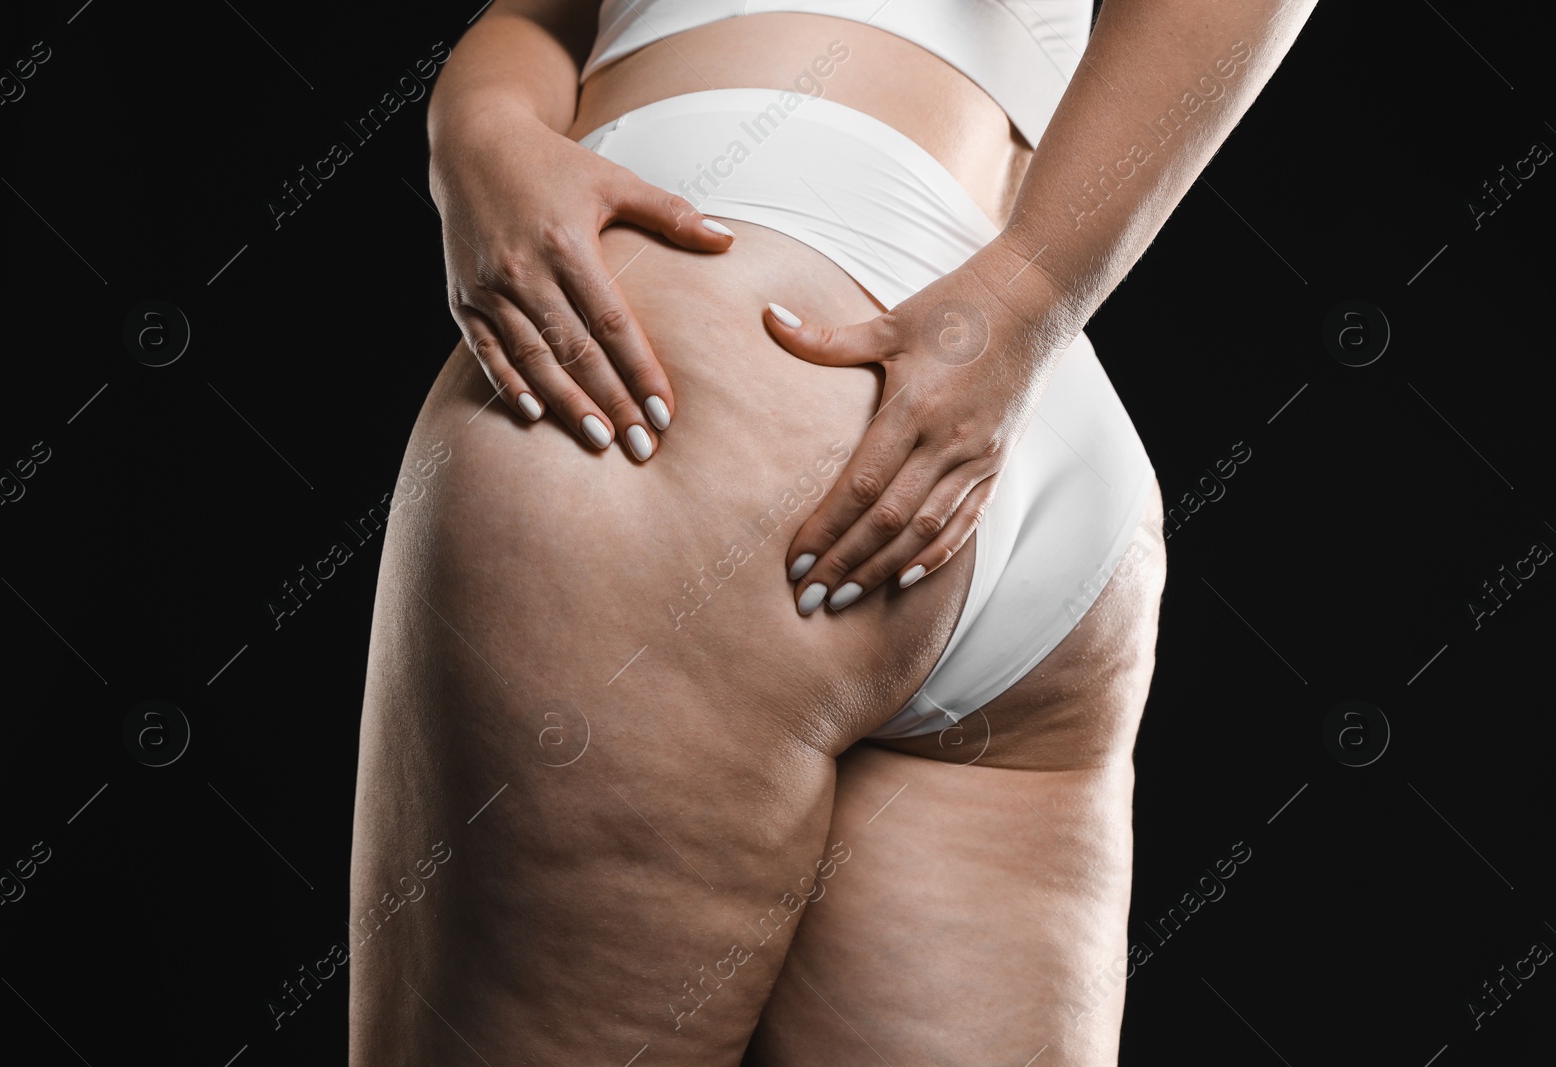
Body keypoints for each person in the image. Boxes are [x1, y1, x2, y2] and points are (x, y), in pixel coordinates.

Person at [349, 1, 1315, 1063]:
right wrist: (478, 131)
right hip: (1027, 445)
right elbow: (545, 18)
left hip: (711, 368)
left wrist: (1027, 287)